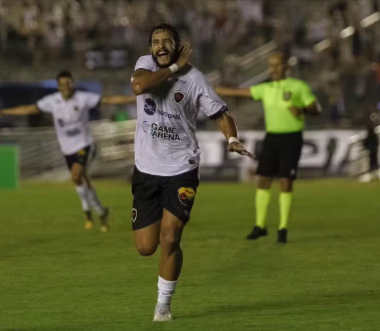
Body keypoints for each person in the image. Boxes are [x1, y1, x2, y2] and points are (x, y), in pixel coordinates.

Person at [130, 23, 254, 322]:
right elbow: (139, 87)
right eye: (156, 42)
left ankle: (164, 304)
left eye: (167, 41)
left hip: (182, 168)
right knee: (146, 247)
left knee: (170, 238)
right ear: (150, 49)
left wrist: (232, 139)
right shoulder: (144, 67)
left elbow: (221, 114)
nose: (160, 45)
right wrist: (175, 66)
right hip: (147, 169)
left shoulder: (196, 79)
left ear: (178, 45)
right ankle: (163, 289)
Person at [0, 70, 136, 232]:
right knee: (82, 180)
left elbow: (108, 99)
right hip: (67, 150)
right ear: (58, 86)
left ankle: (87, 212)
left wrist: (134, 99)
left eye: (68, 83)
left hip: (85, 145)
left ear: (72, 83)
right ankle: (101, 212)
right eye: (62, 84)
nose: (65, 87)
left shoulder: (82, 98)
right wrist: (3, 112)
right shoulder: (52, 101)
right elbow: (30, 109)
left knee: (75, 175)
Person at [216, 53, 321, 243]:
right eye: (271, 65)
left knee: (285, 181)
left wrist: (302, 110)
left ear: (285, 67)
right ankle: (260, 226)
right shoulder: (266, 88)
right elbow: (242, 93)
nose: (272, 68)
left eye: (276, 65)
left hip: (292, 138)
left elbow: (316, 108)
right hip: (272, 138)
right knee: (262, 179)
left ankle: (282, 228)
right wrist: (214, 89)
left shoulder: (298, 87)